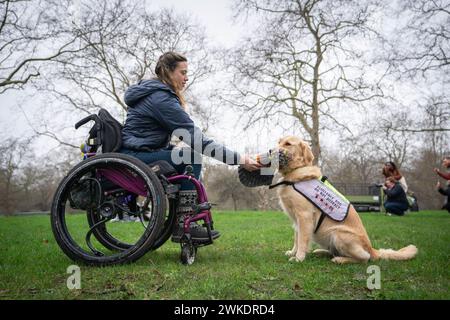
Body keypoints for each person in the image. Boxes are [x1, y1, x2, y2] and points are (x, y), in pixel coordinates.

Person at [119, 52, 261, 242]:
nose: (186, 78)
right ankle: (185, 222)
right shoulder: (160, 99)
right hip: (135, 156)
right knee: (191, 156)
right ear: (168, 72)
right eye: (183, 72)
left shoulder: (155, 94)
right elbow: (197, 140)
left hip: (139, 153)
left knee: (184, 154)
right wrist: (239, 160)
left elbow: (149, 136)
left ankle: (185, 218)